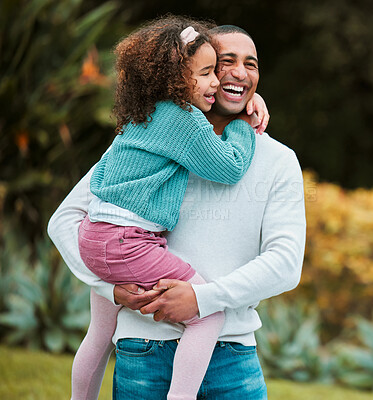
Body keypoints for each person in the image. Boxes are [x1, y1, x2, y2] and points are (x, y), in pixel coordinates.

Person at [48, 23, 306, 400]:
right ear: (188, 71)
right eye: (224, 62)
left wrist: (204, 299)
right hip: (144, 349)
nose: (239, 72)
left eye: (250, 64)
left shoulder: (278, 160)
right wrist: (111, 290)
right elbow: (64, 221)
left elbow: (285, 263)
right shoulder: (146, 136)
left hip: (233, 356)